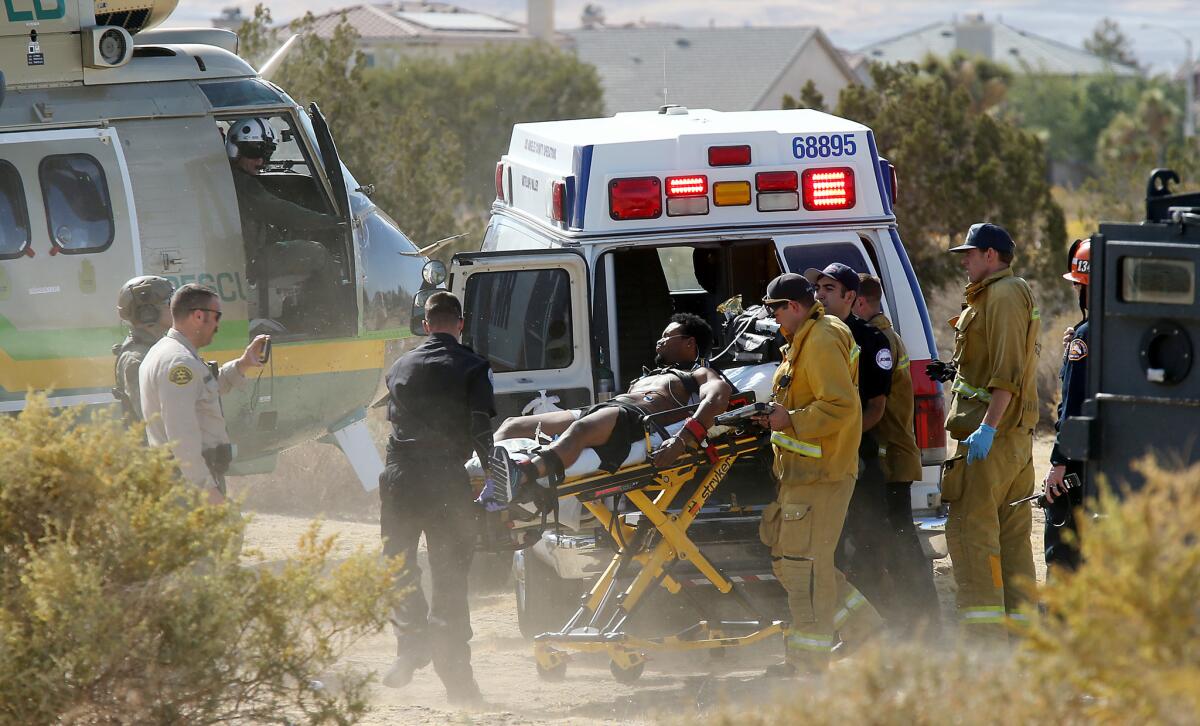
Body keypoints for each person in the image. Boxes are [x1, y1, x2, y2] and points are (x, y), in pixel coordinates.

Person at [750, 273, 882, 676]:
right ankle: (866, 632)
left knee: (804, 568)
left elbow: (841, 406)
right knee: (798, 563)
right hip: (803, 475)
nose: (773, 321)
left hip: (822, 476)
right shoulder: (805, 339)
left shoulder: (822, 338)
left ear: (792, 306)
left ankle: (808, 663)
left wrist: (789, 420)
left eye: (775, 312)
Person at [379, 291, 495, 705]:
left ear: (426, 325)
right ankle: (459, 684)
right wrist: (497, 484)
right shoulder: (473, 366)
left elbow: (391, 425)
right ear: (459, 324)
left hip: (400, 479)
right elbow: (482, 432)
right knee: (448, 577)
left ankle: (411, 645)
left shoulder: (399, 366)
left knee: (396, 563)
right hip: (445, 479)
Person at [489, 313, 731, 504]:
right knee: (513, 424)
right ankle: (482, 474)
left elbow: (718, 397)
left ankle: (525, 473)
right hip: (608, 409)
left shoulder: (697, 373)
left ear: (689, 342)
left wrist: (681, 440)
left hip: (633, 419)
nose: (659, 342)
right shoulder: (652, 375)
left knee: (580, 429)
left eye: (667, 337)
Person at [930, 222, 1040, 640]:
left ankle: (985, 643)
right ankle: (1023, 637)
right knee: (1011, 537)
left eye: (970, 254)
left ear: (991, 255)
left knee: (973, 533)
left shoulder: (1004, 294)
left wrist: (988, 427)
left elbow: (1007, 372)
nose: (965, 261)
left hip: (992, 437)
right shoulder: (999, 293)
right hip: (1009, 439)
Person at [852, 273, 941, 630]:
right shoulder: (882, 337)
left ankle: (921, 621)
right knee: (893, 542)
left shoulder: (880, 341)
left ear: (859, 302)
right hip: (891, 456)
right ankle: (912, 619)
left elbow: (879, 407)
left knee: (901, 544)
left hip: (890, 458)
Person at [139, 284, 269, 504]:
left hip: (185, 480)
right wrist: (207, 491)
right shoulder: (179, 362)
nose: (218, 325)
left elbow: (205, 391)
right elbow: (181, 436)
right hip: (188, 486)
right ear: (199, 316)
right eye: (216, 316)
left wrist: (243, 365)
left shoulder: (170, 352)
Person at [225, 118, 342, 328]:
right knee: (318, 254)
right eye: (253, 152)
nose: (260, 161)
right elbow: (281, 211)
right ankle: (331, 321)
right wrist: (328, 222)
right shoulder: (243, 183)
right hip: (252, 261)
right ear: (235, 149)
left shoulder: (227, 177)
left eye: (266, 153)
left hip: (240, 257)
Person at [1042, 238, 1091, 573]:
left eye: (1077, 285)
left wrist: (1059, 463)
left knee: (1063, 552)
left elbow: (1072, 407)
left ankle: (1059, 624)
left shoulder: (1085, 338)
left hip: (1078, 464)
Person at [113, 275, 175, 422]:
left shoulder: (155, 347)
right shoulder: (137, 360)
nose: (175, 308)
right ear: (148, 313)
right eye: (169, 303)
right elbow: (153, 418)